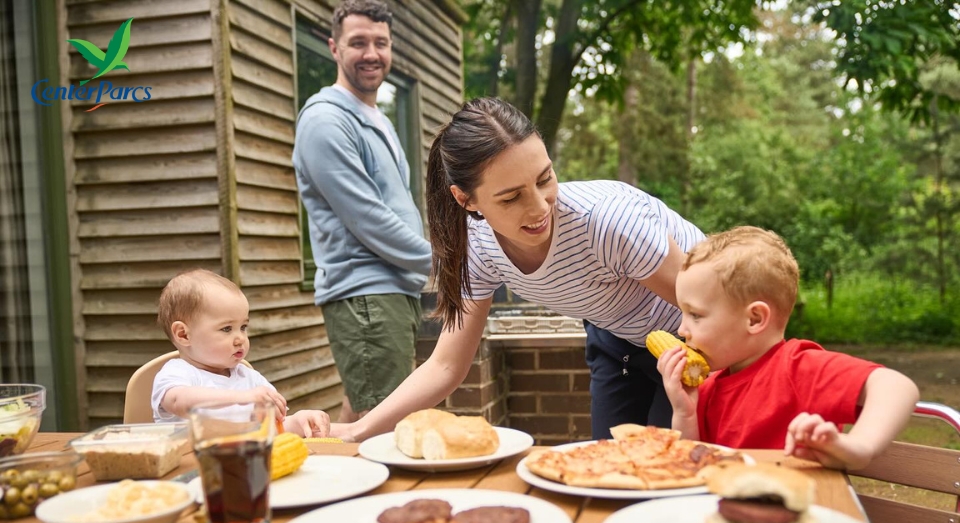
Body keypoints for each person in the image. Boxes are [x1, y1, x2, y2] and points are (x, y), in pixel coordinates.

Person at [330, 97, 705, 442]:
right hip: (617, 342)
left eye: (545, 179)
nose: (540, 207)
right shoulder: (477, 246)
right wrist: (355, 430)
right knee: (609, 466)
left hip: (696, 336)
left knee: (666, 462)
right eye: (511, 197)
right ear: (465, 199)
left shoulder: (610, 222)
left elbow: (711, 309)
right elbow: (446, 365)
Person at [656, 226, 919, 470]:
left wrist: (859, 447)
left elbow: (897, 387)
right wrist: (684, 414)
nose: (681, 329)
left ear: (754, 319)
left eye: (695, 315)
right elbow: (695, 467)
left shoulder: (797, 368)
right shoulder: (708, 389)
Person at [293, 0, 431, 423]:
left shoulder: (375, 118)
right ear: (334, 48)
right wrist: (442, 261)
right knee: (383, 425)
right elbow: (368, 219)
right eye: (358, 43)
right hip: (367, 292)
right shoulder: (326, 121)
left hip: (391, 289)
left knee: (360, 416)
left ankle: (332, 468)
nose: (371, 53)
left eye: (380, 43)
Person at [151, 269, 331, 438]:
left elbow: (270, 429)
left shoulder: (250, 379)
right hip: (189, 460)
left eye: (243, 327)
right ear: (183, 334)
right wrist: (243, 397)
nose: (240, 339)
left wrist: (299, 422)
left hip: (243, 456)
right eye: (226, 329)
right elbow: (179, 402)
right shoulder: (178, 373)